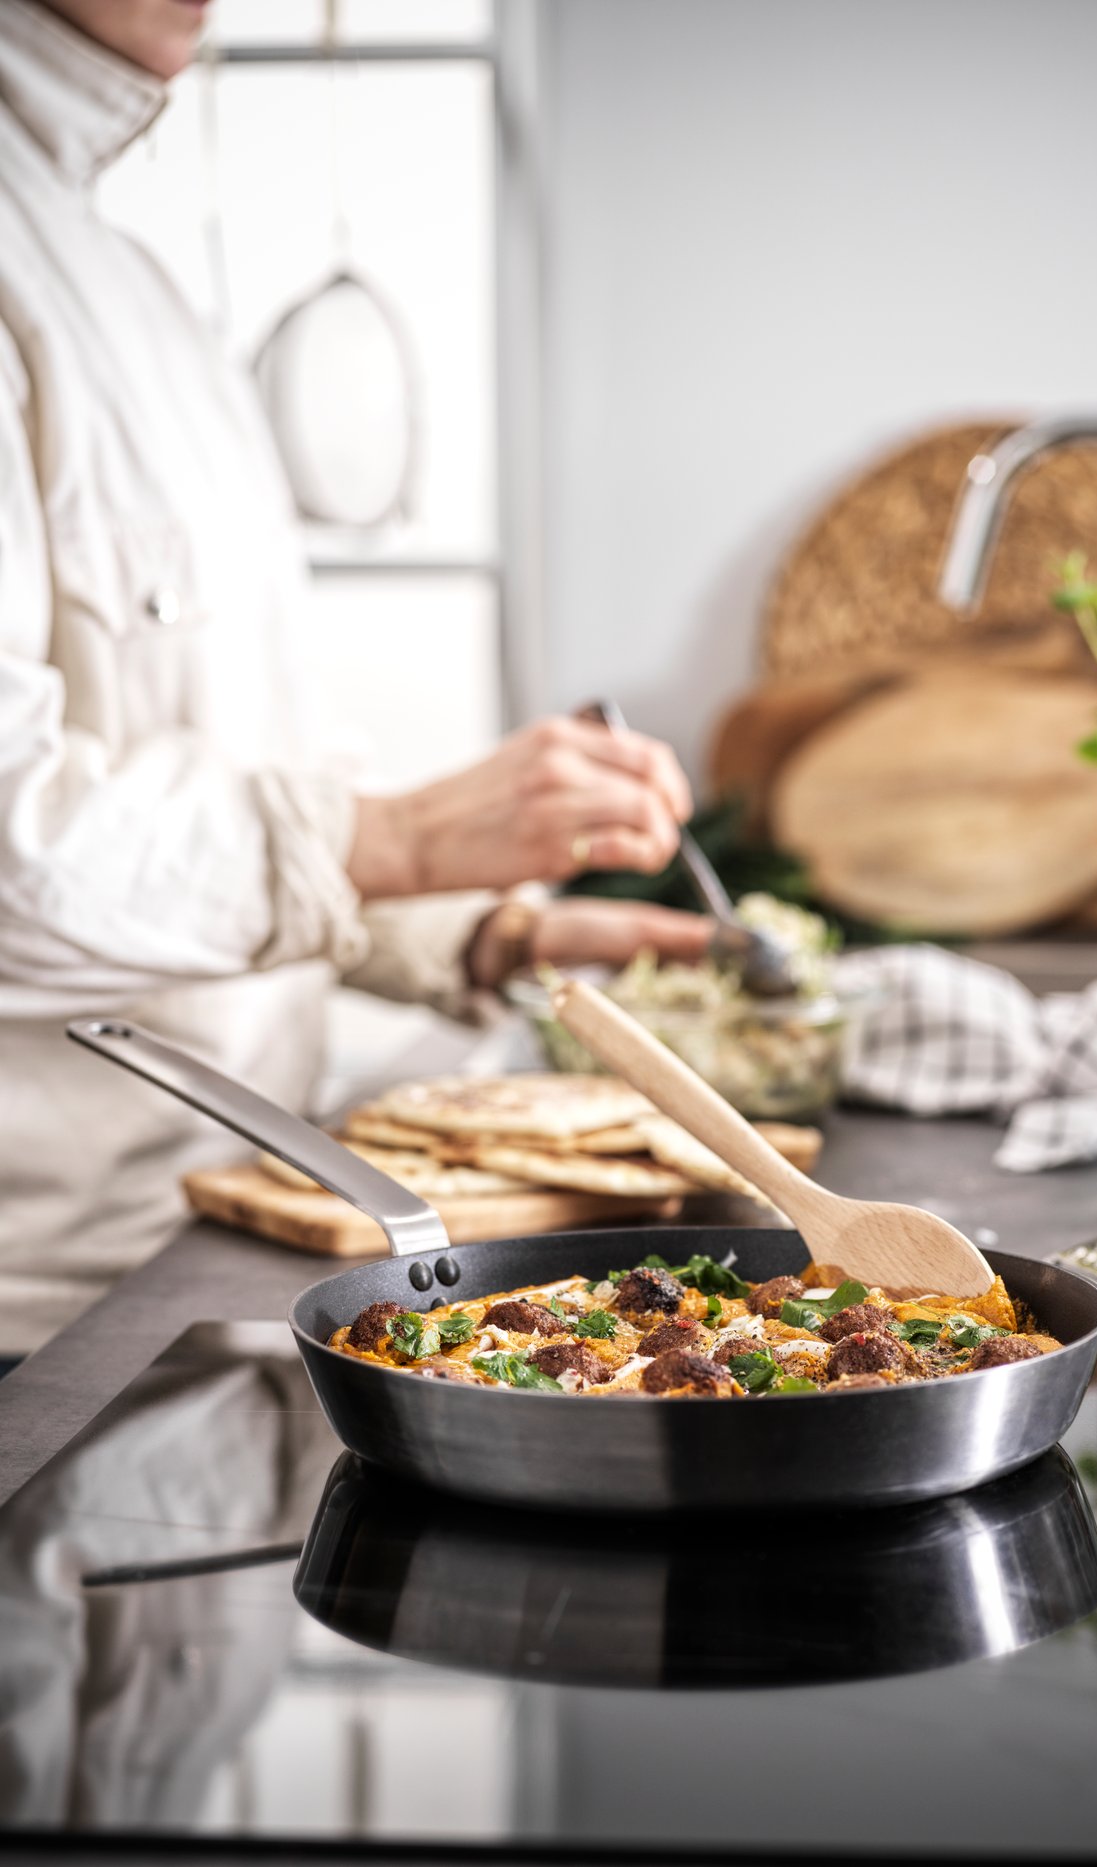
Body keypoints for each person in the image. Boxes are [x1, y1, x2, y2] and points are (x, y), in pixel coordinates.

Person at [0, 0, 711, 1357]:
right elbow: (13, 852)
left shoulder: (123, 277)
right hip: (37, 1309)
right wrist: (395, 836)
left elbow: (214, 767)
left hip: (239, 1227)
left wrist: (471, 929)